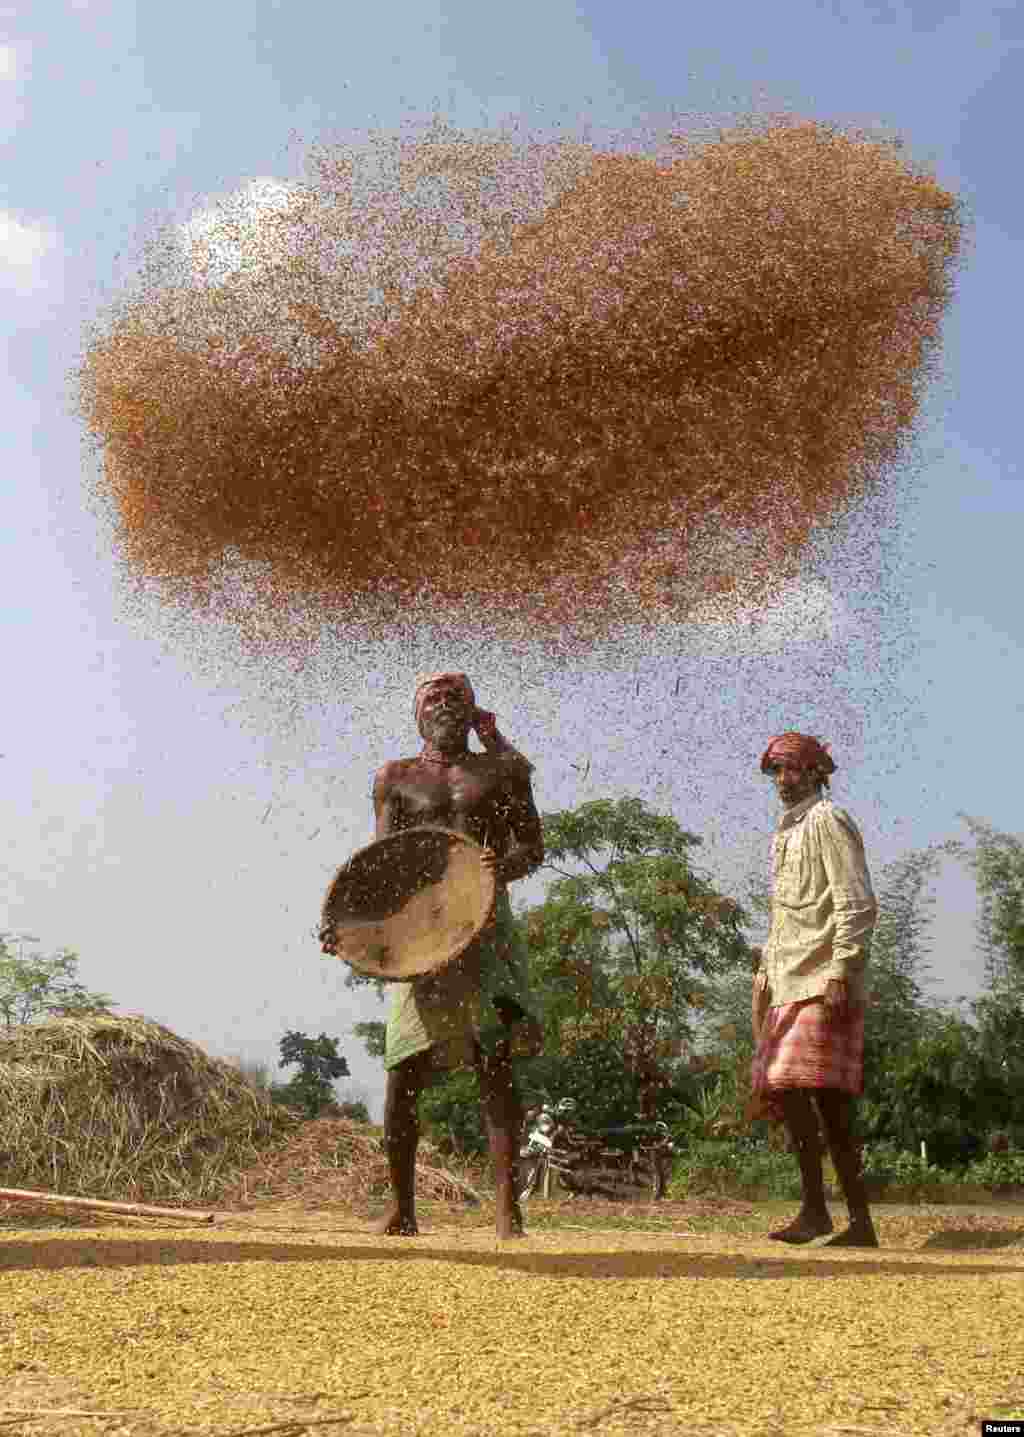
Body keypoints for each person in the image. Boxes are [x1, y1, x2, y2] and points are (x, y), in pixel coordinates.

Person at [322, 672, 545, 1238]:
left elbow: (532, 845)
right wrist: (342, 927)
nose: (445, 705)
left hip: (484, 923)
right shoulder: (394, 778)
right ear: (416, 714)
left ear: (473, 711)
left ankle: (506, 1212)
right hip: (420, 940)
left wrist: (506, 867)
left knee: (494, 1067)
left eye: (456, 698)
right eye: (433, 698)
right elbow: (377, 866)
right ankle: (402, 1210)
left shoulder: (500, 771)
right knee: (404, 1071)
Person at [749, 731, 880, 1247]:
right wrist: (766, 966)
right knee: (788, 1093)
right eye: (777, 772)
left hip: (823, 979)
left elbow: (856, 902)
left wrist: (841, 972)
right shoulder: (785, 831)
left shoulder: (828, 820)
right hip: (788, 980)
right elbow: (789, 915)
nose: (784, 781)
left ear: (816, 773)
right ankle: (815, 1213)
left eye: (794, 771)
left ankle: (860, 1223)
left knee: (831, 1105)